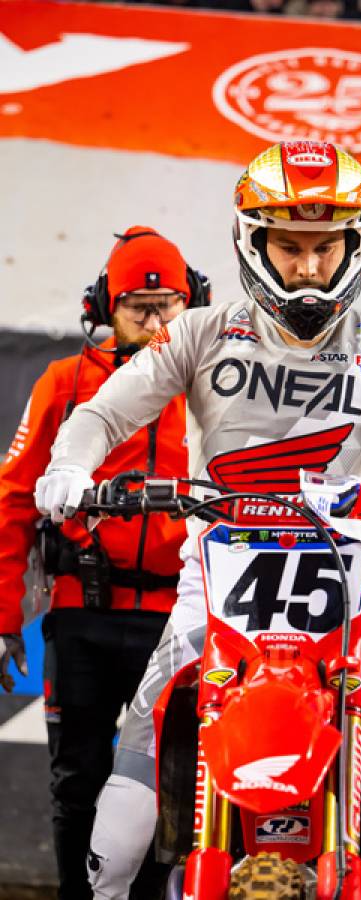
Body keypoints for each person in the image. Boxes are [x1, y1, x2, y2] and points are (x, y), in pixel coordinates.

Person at [35, 141, 361, 900]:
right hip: (209, 610)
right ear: (253, 241)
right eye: (290, 246)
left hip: (347, 614)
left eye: (324, 247)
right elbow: (101, 414)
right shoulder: (199, 332)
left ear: (354, 246)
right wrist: (70, 470)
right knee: (119, 834)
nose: (307, 266)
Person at [0, 225, 210, 900]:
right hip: (82, 616)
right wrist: (4, 618)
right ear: (104, 306)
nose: (153, 322)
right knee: (78, 783)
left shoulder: (215, 388)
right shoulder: (64, 384)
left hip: (178, 622)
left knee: (169, 786)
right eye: (136, 308)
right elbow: (12, 500)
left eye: (167, 306)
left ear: (192, 302)